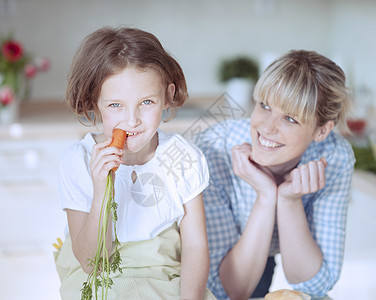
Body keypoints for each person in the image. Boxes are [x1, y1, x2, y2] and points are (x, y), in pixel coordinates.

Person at [54, 26, 216, 300]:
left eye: (147, 102)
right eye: (116, 105)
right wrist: (101, 189)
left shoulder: (184, 159)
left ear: (167, 96)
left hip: (166, 278)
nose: (132, 121)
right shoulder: (78, 162)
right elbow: (92, 263)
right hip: (98, 280)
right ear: (95, 102)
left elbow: (195, 247)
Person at [195, 50, 355, 299]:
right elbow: (222, 291)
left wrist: (289, 200)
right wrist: (266, 196)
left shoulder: (334, 156)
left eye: (290, 119)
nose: (267, 127)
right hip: (225, 261)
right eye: (265, 106)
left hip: (262, 256)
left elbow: (314, 285)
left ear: (321, 131)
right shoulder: (214, 149)